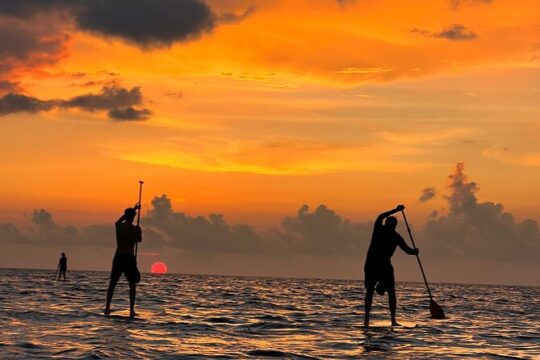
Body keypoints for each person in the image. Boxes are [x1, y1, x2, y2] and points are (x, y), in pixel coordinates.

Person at [363, 205, 419, 327]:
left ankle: (393, 320)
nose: (390, 227)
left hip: (384, 266)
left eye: (392, 226)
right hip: (372, 264)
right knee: (370, 291)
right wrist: (395, 210)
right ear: (387, 224)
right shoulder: (380, 229)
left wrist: (415, 252)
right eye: (389, 225)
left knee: (391, 292)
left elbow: (407, 250)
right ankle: (366, 320)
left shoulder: (395, 236)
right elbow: (380, 216)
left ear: (393, 226)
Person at [104, 204, 142, 317]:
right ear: (133, 217)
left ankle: (107, 307)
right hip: (129, 257)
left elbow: (119, 220)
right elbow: (139, 240)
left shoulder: (119, 226)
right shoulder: (135, 229)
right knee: (132, 284)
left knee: (113, 282)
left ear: (125, 216)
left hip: (119, 256)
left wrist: (132, 210)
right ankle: (131, 310)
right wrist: (139, 232)